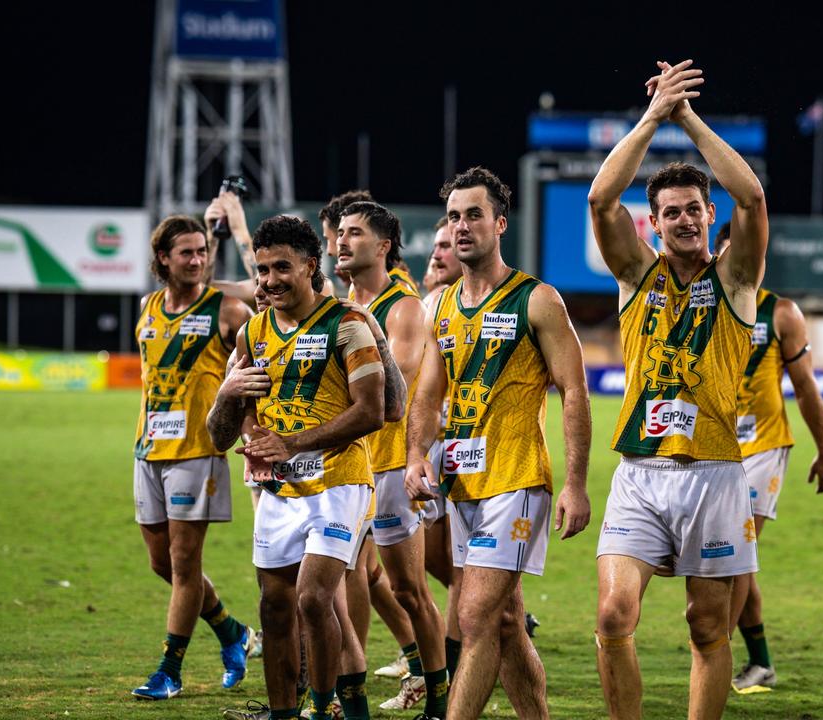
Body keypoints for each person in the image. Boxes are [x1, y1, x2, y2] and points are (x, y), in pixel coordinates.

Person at [588, 59, 766, 719]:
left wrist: (686, 117)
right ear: (653, 224)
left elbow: (753, 199)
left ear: (708, 213)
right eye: (671, 212)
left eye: (695, 209)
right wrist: (651, 116)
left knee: (705, 627)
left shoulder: (737, 277)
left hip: (716, 475)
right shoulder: (636, 276)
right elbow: (600, 200)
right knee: (612, 615)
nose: (686, 220)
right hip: (639, 473)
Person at [404, 166, 592, 720]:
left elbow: (574, 391)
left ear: (500, 223)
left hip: (517, 479)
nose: (462, 227)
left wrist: (576, 484)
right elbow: (427, 397)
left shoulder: (537, 300)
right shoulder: (439, 307)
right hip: (463, 484)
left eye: (474, 215)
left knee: (476, 614)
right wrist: (416, 455)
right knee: (505, 620)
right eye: (455, 217)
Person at [207, 214, 385, 720]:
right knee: (274, 606)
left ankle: (324, 706)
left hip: (339, 483)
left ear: (311, 266)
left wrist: (291, 442)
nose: (269, 281)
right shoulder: (252, 335)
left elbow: (372, 410)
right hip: (280, 493)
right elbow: (225, 432)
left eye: (281, 267)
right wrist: (232, 406)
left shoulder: (347, 324)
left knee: (313, 599)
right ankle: (285, 713)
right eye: (262, 270)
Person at [130, 215, 256, 701]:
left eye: (203, 251)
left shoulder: (227, 310)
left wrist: (247, 428)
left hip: (198, 452)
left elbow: (256, 373)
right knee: (162, 564)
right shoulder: (147, 307)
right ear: (163, 258)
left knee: (184, 566)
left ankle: (170, 669)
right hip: (147, 449)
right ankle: (232, 632)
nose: (198, 259)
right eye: (186, 252)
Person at [710, 222, 823, 694]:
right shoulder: (700, 308)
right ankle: (757, 660)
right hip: (712, 447)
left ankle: (718, 654)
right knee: (727, 558)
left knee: (736, 553)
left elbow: (805, 386)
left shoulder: (780, 312)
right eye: (728, 255)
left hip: (764, 446)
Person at [336, 200, 449, 716]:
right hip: (348, 466)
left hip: (387, 467)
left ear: (382, 247)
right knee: (344, 576)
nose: (340, 241)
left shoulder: (403, 307)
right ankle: (344, 688)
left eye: (354, 233)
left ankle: (437, 688)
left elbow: (392, 393)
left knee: (409, 589)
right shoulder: (342, 306)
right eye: (339, 232)